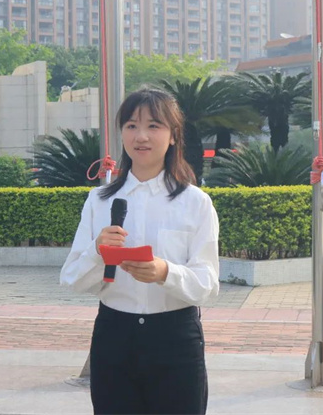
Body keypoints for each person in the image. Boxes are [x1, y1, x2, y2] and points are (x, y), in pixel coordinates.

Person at [60, 88, 219, 414]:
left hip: (175, 339)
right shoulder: (99, 201)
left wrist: (166, 272)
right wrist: (97, 251)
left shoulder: (195, 203)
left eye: (153, 126)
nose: (141, 136)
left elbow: (208, 284)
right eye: (131, 125)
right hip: (114, 336)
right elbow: (72, 278)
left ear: (173, 136)